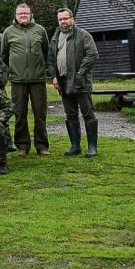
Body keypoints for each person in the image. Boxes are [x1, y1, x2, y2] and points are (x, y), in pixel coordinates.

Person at [47, 8, 100, 157]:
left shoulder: (83, 35)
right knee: (70, 114)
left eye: (65, 18)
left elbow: (93, 54)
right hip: (63, 82)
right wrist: (54, 77)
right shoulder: (55, 37)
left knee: (88, 113)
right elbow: (50, 60)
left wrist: (80, 73)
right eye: (60, 19)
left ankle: (92, 147)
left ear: (72, 19)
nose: (63, 22)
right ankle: (75, 146)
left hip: (80, 81)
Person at [2, 3, 50, 156]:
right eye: (20, 13)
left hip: (38, 79)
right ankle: (22, 145)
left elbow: (46, 51)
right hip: (18, 80)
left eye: (26, 13)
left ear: (31, 14)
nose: (23, 15)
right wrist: (12, 70)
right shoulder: (8, 32)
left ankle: (42, 145)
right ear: (15, 16)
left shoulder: (40, 30)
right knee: (20, 114)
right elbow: (4, 55)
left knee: (40, 113)